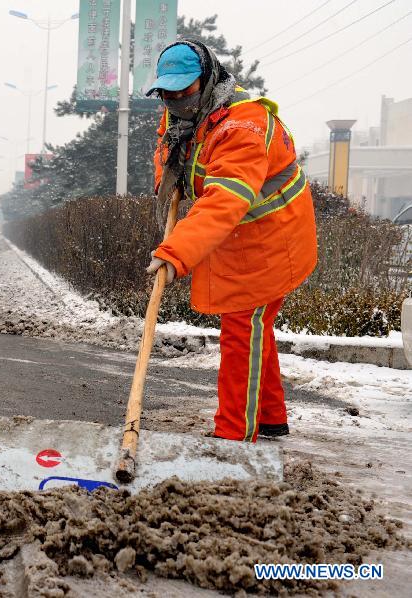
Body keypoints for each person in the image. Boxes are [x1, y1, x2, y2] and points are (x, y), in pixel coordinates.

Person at [144, 40, 317, 442]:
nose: (174, 100)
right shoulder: (185, 114)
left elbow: (224, 200)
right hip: (238, 236)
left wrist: (175, 252)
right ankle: (271, 416)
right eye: (166, 92)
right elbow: (167, 150)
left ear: (206, 81)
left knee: (243, 328)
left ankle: (233, 436)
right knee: (254, 325)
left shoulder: (243, 126)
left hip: (274, 236)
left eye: (183, 90)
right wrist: (168, 178)